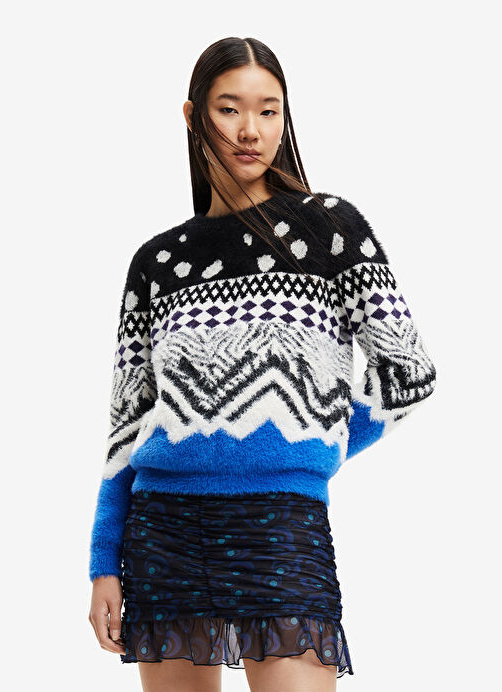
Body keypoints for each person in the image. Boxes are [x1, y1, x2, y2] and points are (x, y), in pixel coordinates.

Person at [88, 36, 437, 692]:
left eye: (268, 110)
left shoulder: (330, 229)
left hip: (282, 527)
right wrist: (103, 562)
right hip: (163, 534)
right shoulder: (157, 262)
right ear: (193, 116)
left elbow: (408, 373)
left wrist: (313, 442)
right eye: (229, 109)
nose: (250, 130)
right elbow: (127, 424)